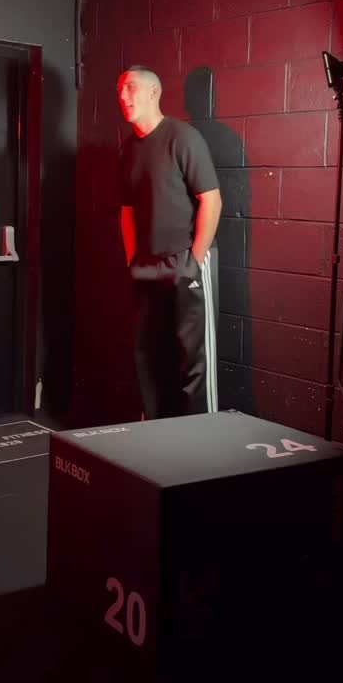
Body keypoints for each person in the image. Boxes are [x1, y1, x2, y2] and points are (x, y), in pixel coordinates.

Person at [117, 66, 222, 419]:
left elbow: (212, 201)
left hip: (184, 262)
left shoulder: (183, 137)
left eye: (130, 88)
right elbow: (127, 210)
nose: (123, 97)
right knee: (147, 356)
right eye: (120, 90)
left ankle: (201, 438)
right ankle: (154, 435)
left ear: (153, 93)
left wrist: (193, 262)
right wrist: (133, 259)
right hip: (146, 267)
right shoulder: (128, 149)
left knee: (194, 362)